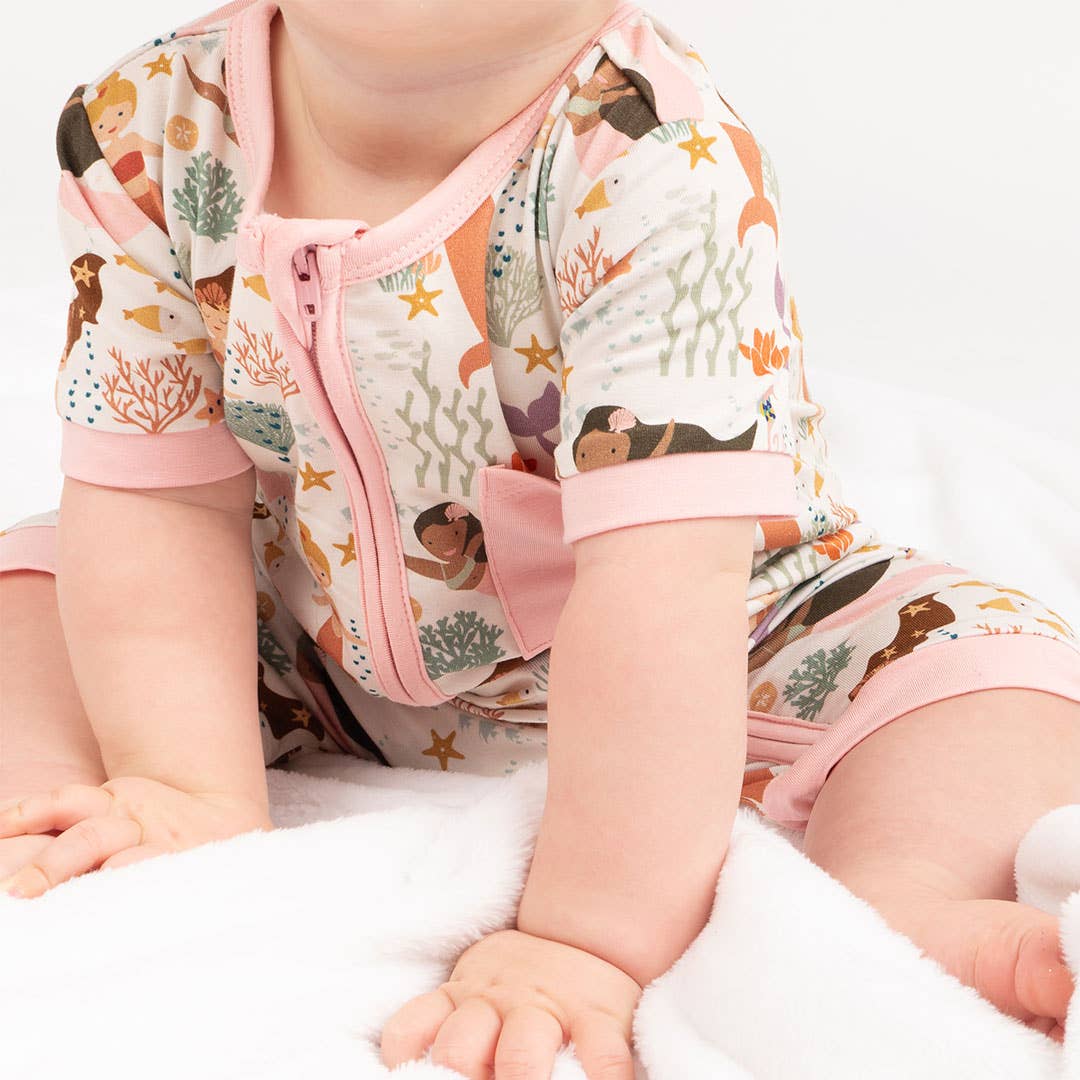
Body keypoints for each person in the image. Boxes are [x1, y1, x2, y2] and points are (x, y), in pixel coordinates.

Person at [1, 0, 1078, 1073]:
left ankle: (907, 901)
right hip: (309, 622)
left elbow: (665, 590)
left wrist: (584, 935)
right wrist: (182, 781)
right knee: (41, 583)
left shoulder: (656, 157)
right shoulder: (144, 122)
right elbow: (162, 498)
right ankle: (64, 824)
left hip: (731, 638)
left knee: (995, 675)